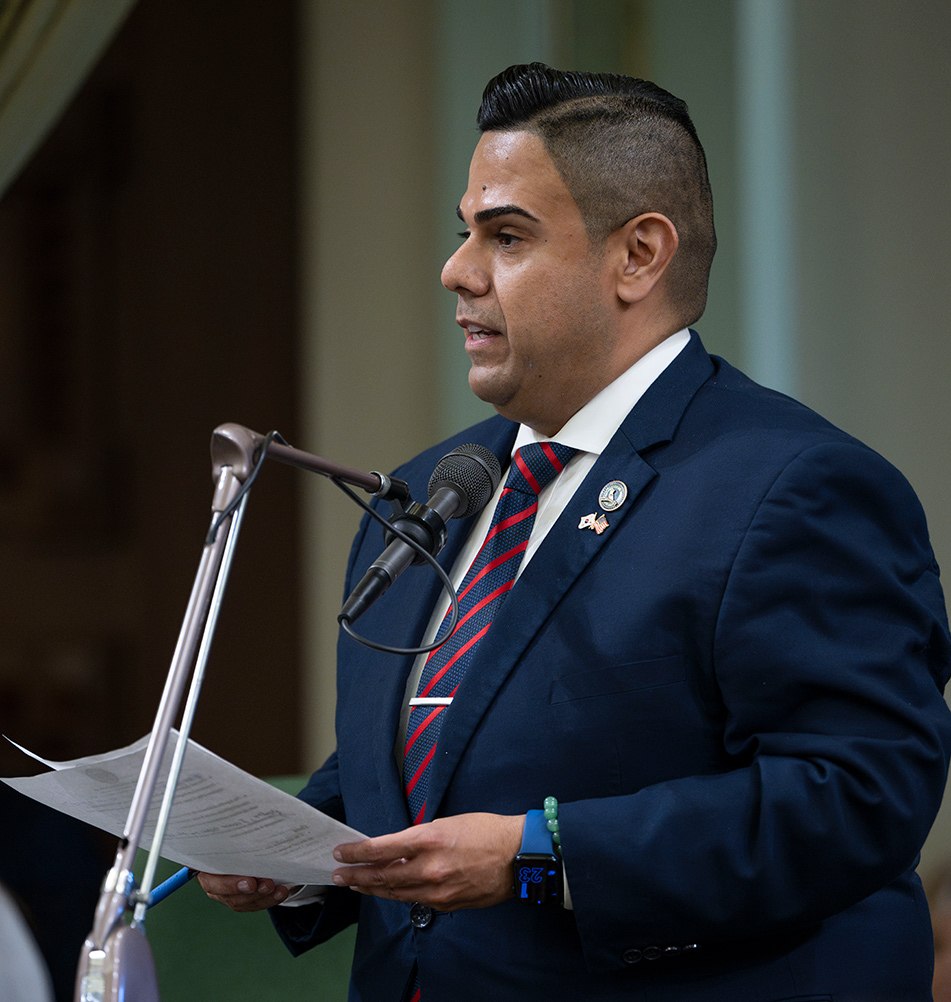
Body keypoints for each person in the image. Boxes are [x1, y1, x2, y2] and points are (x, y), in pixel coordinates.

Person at [199, 63, 951, 1001]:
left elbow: (857, 799)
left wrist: (539, 853)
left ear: (637, 256)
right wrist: (294, 851)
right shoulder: (437, 484)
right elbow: (442, 746)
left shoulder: (795, 487)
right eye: (463, 232)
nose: (456, 271)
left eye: (505, 236)